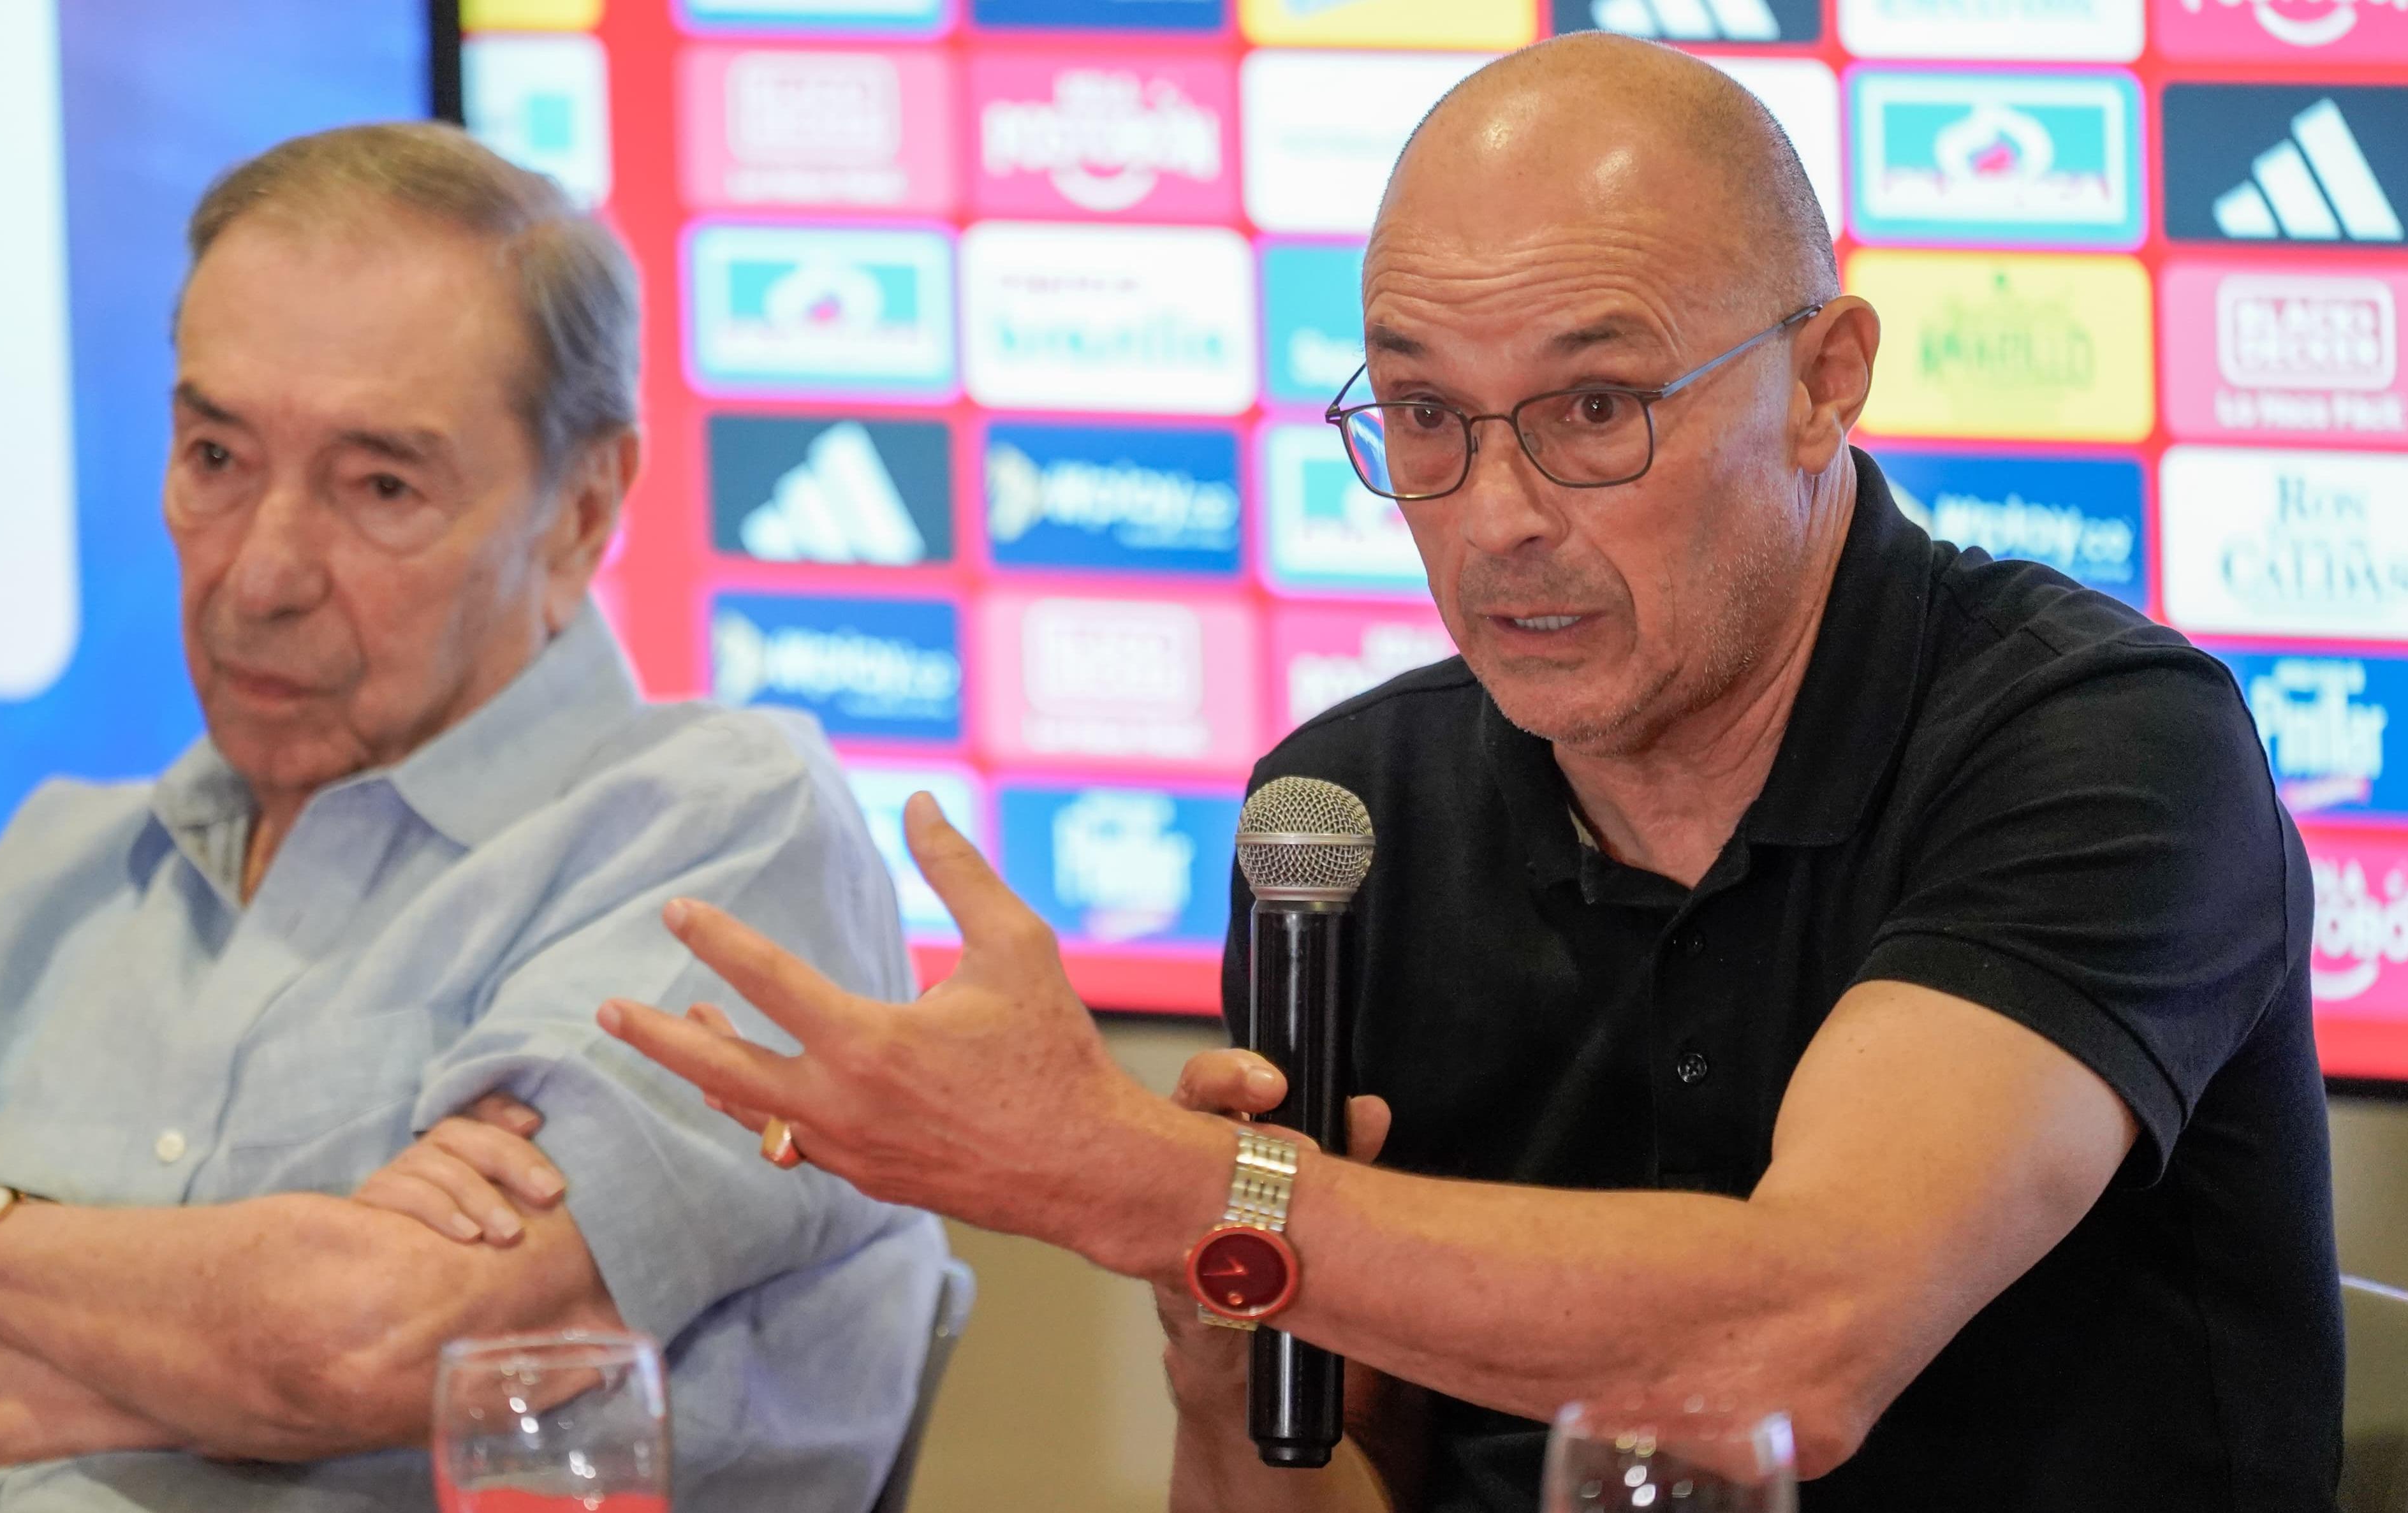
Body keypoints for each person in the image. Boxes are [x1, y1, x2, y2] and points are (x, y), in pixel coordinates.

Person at [595, 35, 2342, 1513]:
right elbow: (1313, 1476)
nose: (1494, 515)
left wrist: (1140, 1177)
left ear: (1823, 382)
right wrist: (1232, 1353)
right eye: (1423, 416)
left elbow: (1794, 1338)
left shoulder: (2105, 739)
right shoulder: (1344, 813)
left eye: (1594, 409)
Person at [0, 122, 945, 1513]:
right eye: (215, 454)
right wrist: (232, 1362)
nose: (260, 575)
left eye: (380, 485)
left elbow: (373, 1340)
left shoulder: (713, 833)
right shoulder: (62, 863)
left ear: (583, 508)